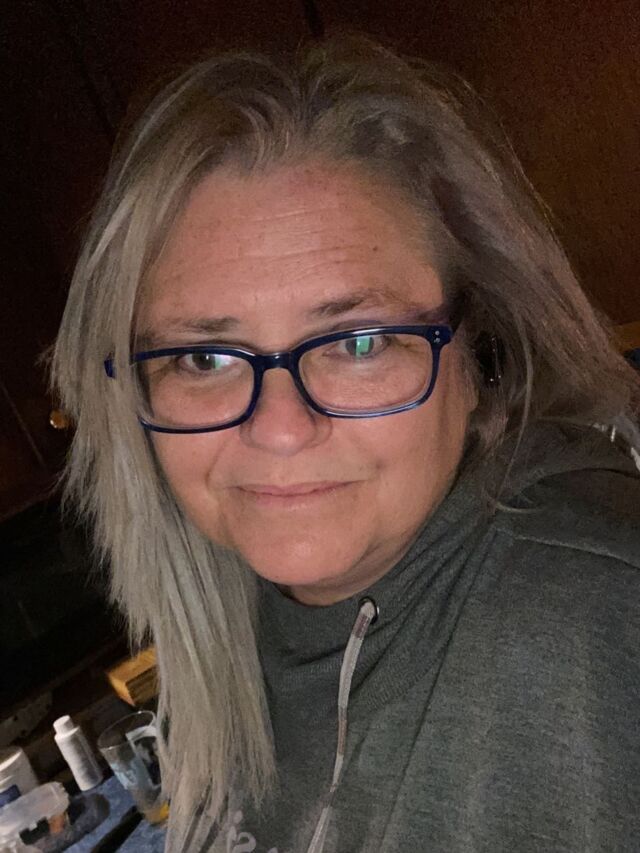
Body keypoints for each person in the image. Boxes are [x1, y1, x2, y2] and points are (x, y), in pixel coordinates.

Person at [52, 35, 640, 853]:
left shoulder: (599, 613)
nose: (281, 428)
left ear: (481, 352)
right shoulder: (226, 615)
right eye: (205, 358)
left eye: (359, 342)